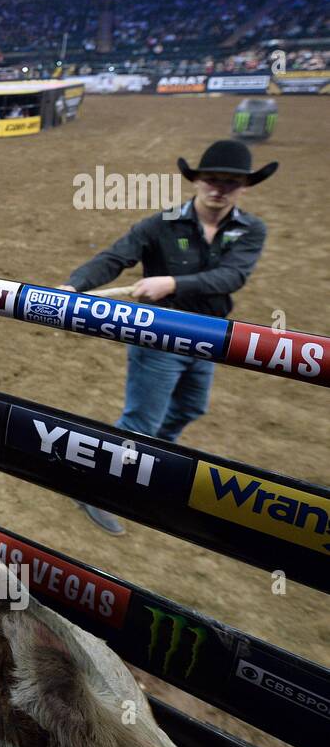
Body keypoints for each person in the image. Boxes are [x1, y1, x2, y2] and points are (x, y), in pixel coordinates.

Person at [58, 140, 274, 534]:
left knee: (190, 408)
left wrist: (171, 281)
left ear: (244, 186)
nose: (220, 188)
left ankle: (145, 466)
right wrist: (74, 286)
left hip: (209, 336)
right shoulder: (160, 224)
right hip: (158, 335)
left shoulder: (251, 229)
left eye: (231, 181)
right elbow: (114, 257)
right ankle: (93, 486)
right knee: (141, 419)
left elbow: (233, 276)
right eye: (212, 179)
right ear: (197, 180)